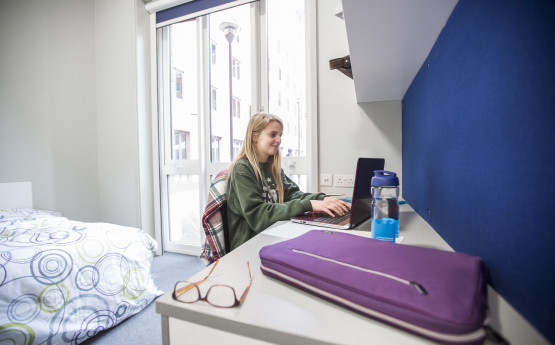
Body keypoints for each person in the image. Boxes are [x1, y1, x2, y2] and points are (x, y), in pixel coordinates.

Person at [226, 113, 351, 250]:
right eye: (273, 134)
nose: (279, 140)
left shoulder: (273, 169)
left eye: (280, 135)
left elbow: (294, 195)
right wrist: (309, 204)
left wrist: (323, 199)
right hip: (249, 246)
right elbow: (259, 216)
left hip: (272, 236)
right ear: (254, 136)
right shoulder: (242, 169)